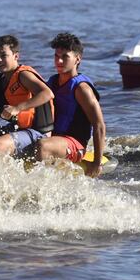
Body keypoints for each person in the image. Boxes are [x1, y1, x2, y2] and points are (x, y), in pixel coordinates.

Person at [0, 35, 54, 158]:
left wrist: (17, 108)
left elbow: (47, 94)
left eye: (3, 55)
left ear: (16, 56)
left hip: (38, 134)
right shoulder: (2, 79)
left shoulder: (24, 75)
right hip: (16, 128)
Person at [36, 33, 106, 178]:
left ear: (77, 59)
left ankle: (40, 189)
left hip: (75, 144)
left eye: (65, 57)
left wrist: (97, 163)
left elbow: (99, 125)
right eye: (56, 56)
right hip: (54, 138)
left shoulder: (82, 89)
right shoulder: (52, 82)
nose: (59, 61)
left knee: (44, 146)